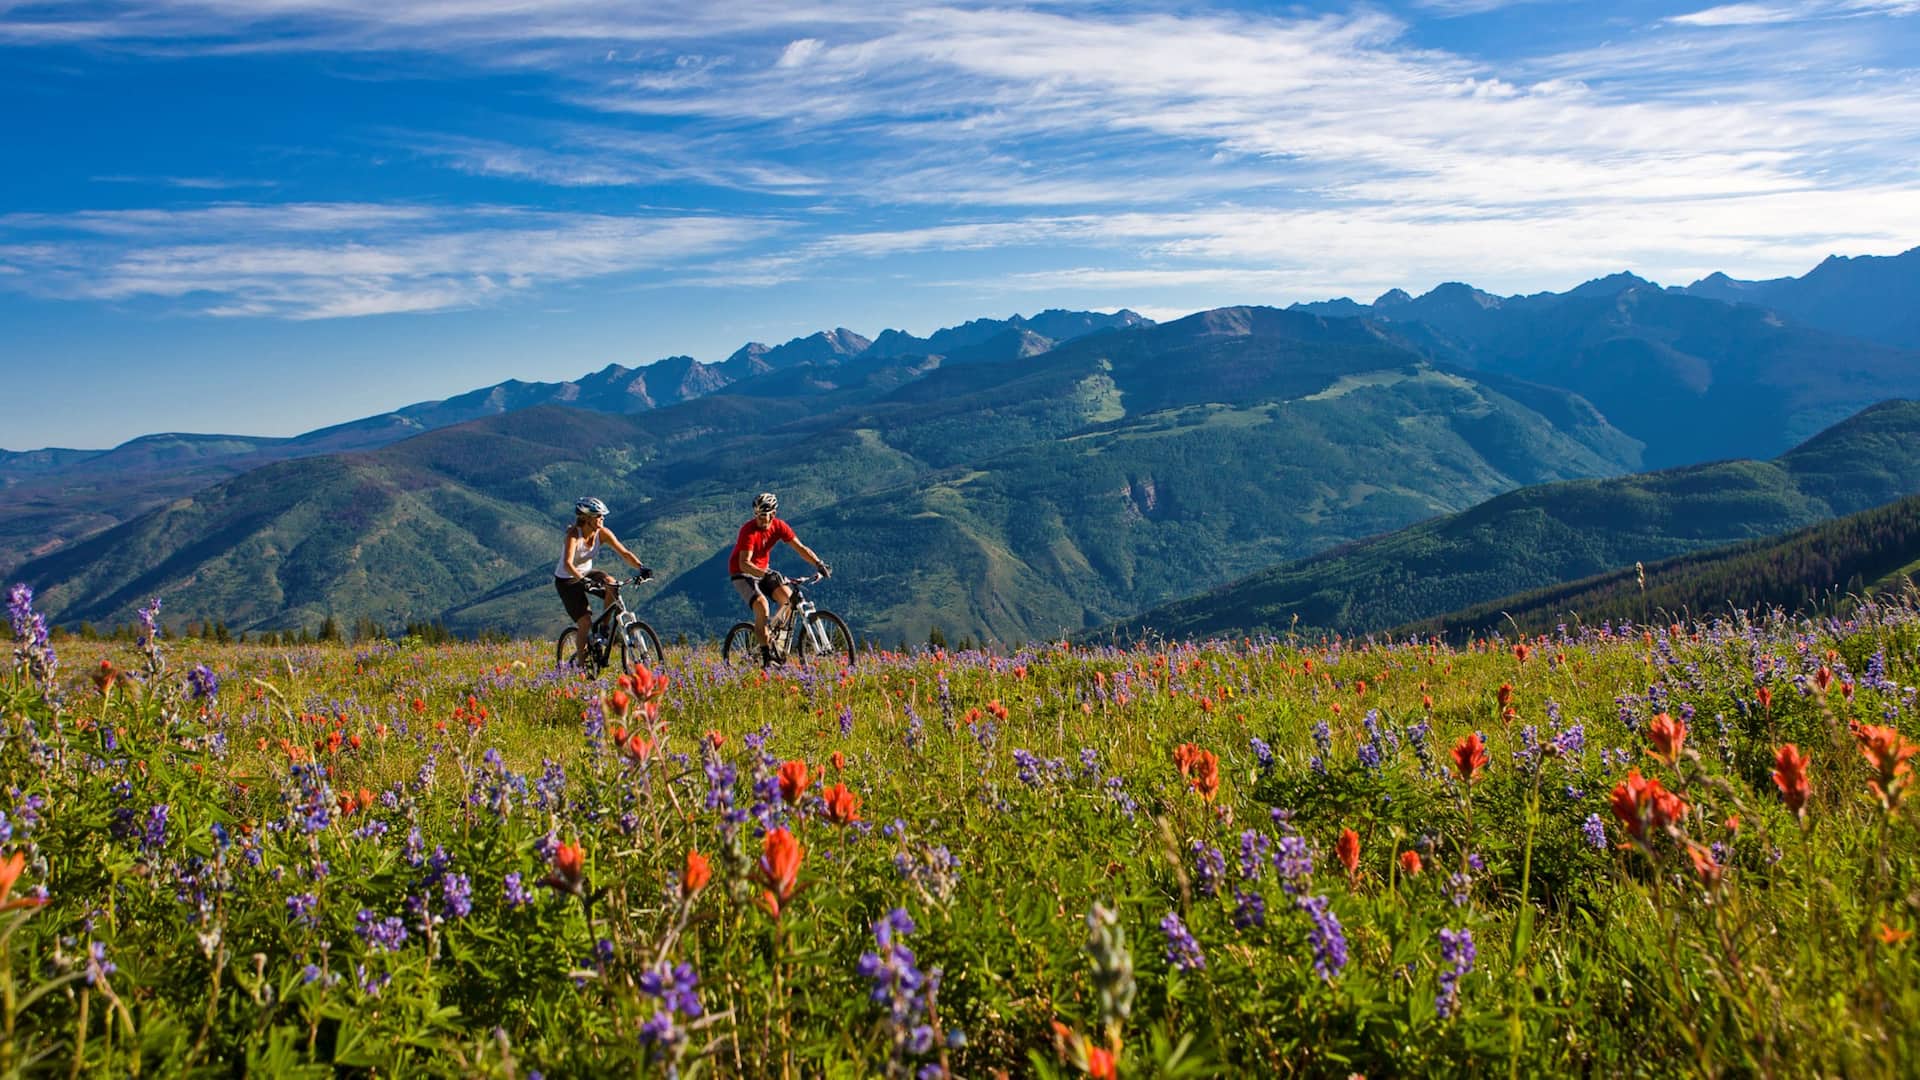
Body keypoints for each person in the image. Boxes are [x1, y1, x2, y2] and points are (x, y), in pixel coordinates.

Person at [729, 492, 830, 661]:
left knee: (789, 600)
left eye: (763, 515)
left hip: (763, 569)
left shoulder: (779, 526)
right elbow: (744, 563)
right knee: (762, 606)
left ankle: (778, 644)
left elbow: (801, 548)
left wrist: (819, 564)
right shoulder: (748, 531)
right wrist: (765, 572)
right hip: (742, 572)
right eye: (757, 515)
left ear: (773, 514)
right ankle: (766, 657)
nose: (759, 519)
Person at [555, 497, 650, 667]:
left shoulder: (603, 533)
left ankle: (603, 631)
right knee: (585, 621)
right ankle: (581, 668)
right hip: (567, 579)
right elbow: (568, 564)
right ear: (587, 518)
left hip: (586, 573)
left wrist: (641, 567)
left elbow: (625, 553)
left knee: (611, 584)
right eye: (599, 516)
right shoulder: (573, 535)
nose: (602, 519)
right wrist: (583, 581)